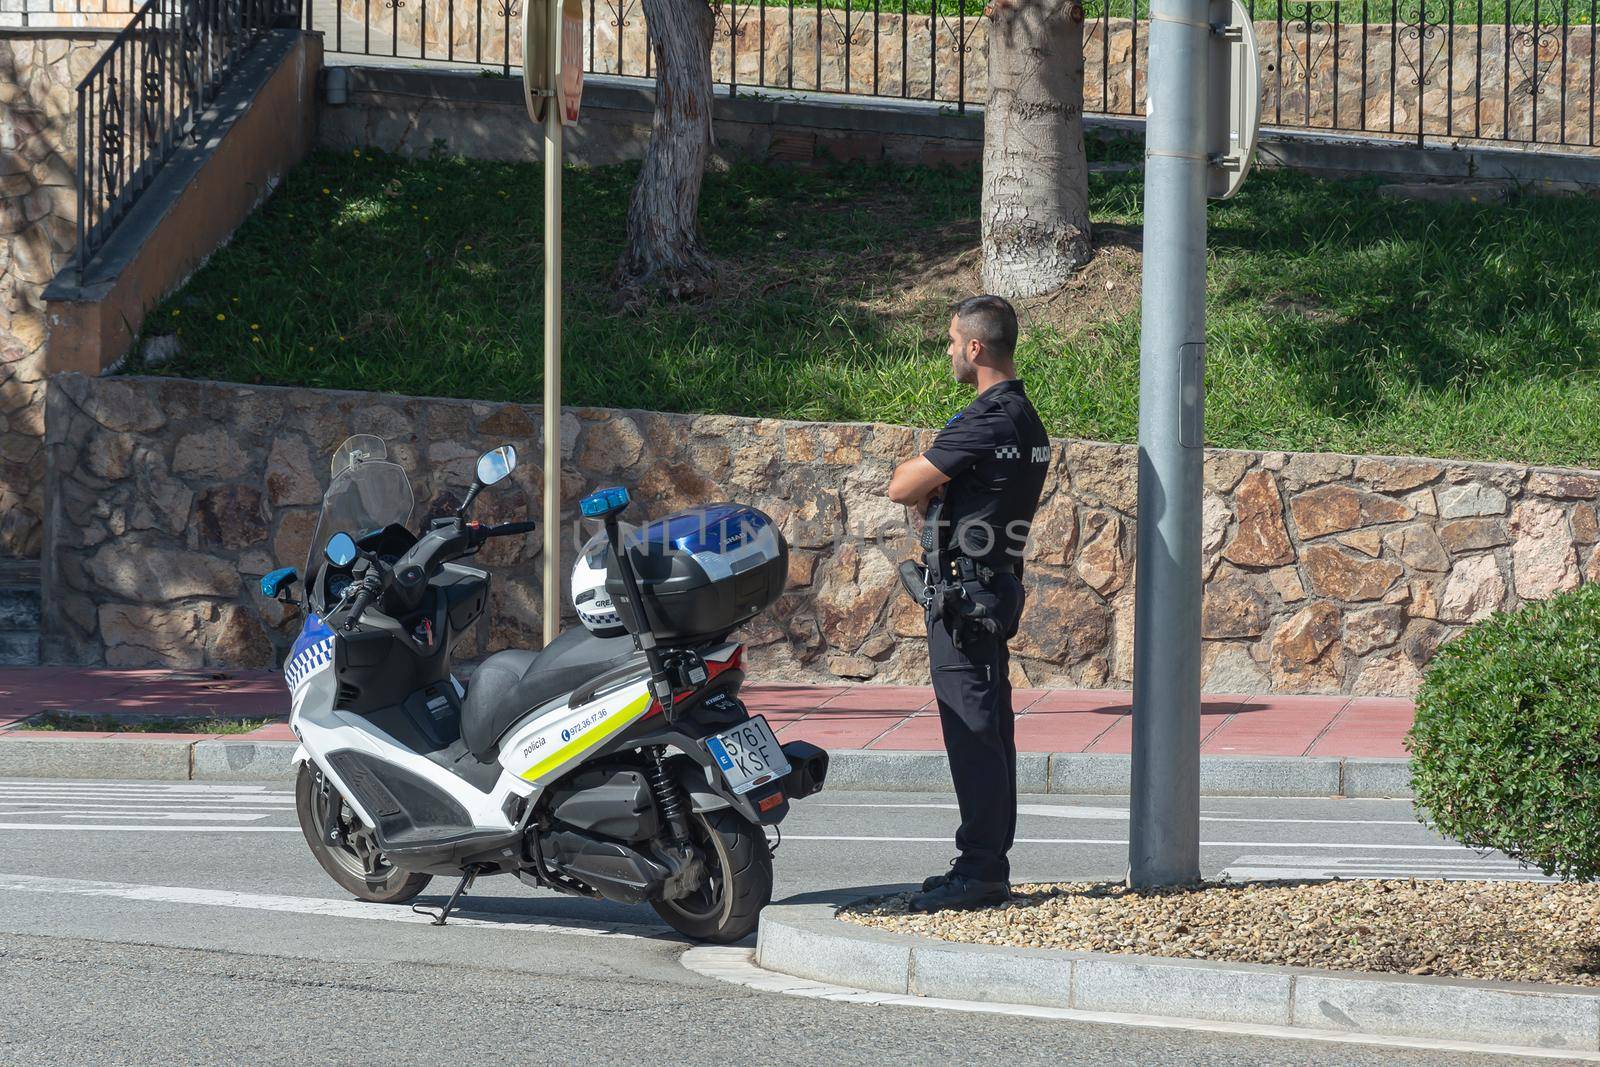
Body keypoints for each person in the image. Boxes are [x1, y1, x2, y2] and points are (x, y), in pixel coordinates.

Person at [885, 294, 1050, 913]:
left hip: (966, 596)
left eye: (953, 341)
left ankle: (981, 870)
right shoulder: (1024, 418)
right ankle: (983, 863)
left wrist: (933, 487)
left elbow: (904, 483)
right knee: (990, 729)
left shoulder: (985, 420)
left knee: (973, 731)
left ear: (976, 348)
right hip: (990, 586)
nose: (949, 350)